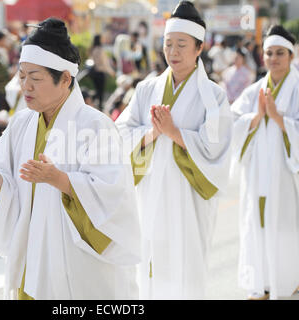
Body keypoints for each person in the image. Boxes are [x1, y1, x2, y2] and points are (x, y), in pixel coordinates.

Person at [0, 18, 141, 300]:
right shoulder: (21, 123)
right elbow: (9, 181)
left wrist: (61, 180)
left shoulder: (95, 125)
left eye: (36, 78)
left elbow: (114, 196)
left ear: (65, 78)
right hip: (32, 252)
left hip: (77, 262)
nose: (25, 86)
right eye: (22, 76)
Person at [115, 1, 232, 299]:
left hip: (188, 197)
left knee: (186, 264)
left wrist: (175, 134)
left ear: (199, 48)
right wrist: (152, 133)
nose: (174, 52)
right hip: (151, 191)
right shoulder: (146, 89)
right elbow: (121, 133)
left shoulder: (214, 97)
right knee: (151, 261)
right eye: (168, 44)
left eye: (182, 45)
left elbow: (216, 148)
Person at [230, 25, 299, 300]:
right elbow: (232, 124)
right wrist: (256, 117)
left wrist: (279, 118)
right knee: (255, 223)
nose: (274, 58)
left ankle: (289, 279)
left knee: (285, 226)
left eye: (280, 53)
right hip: (257, 171)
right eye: (269, 53)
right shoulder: (254, 91)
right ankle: (261, 283)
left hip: (286, 175)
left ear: (291, 55)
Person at [89, 35, 115, 111]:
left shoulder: (93, 49)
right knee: (100, 91)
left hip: (94, 72)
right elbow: (105, 64)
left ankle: (92, 101)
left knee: (97, 90)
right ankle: (100, 107)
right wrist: (111, 72)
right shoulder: (100, 50)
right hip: (100, 73)